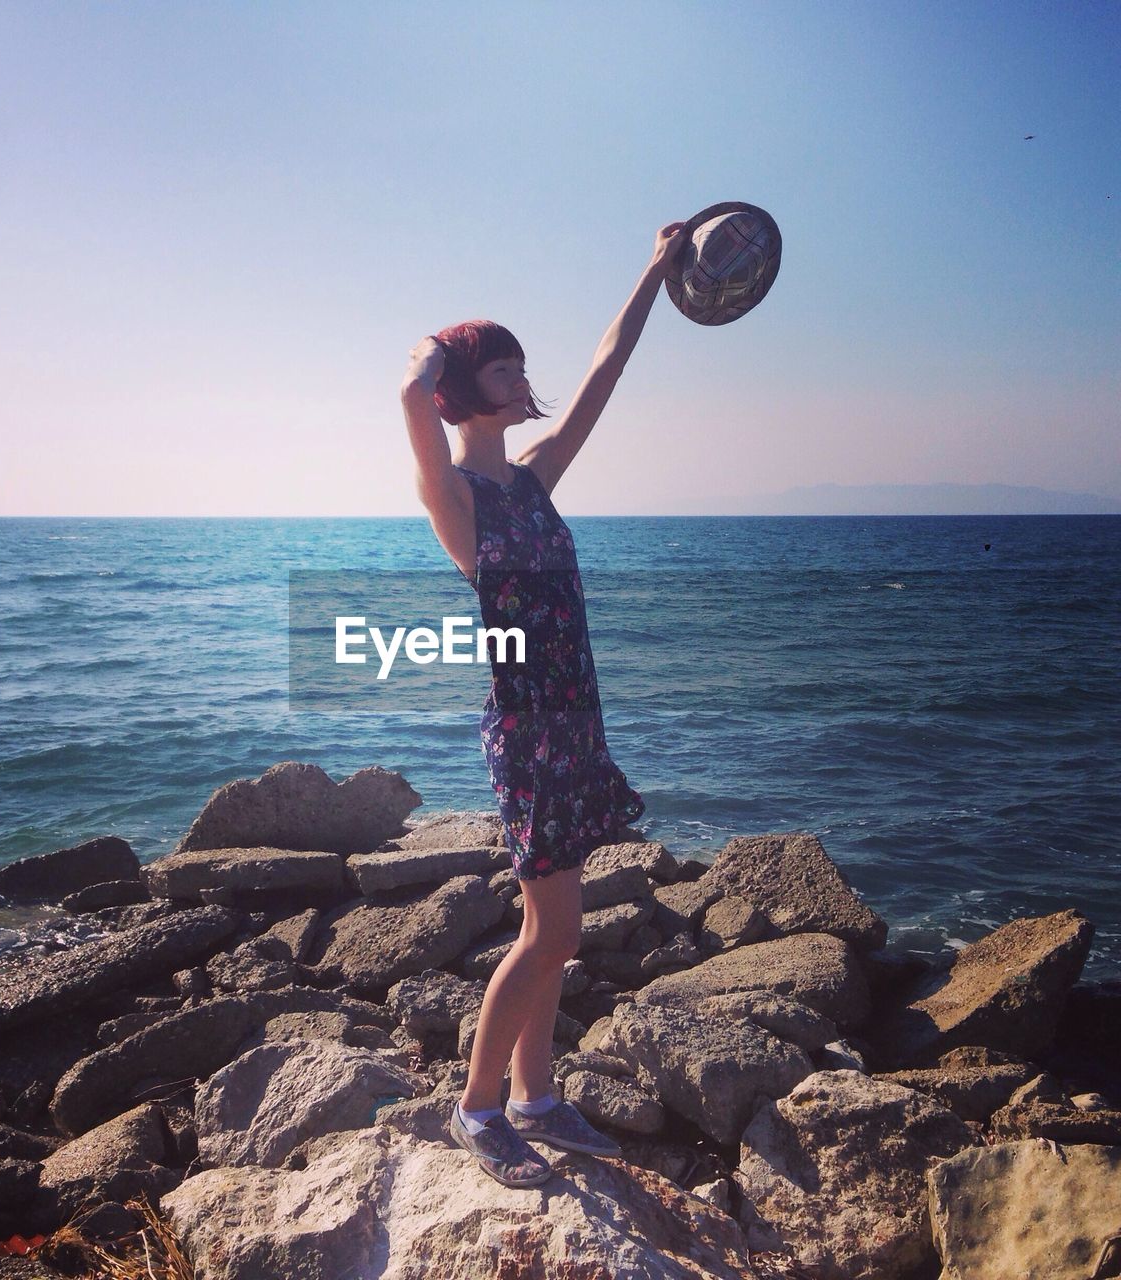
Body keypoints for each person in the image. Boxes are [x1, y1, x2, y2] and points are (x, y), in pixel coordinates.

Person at [400, 221, 688, 1188]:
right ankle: (477, 1108)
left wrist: (655, 271)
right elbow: (409, 396)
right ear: (461, 392)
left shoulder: (535, 478)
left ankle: (537, 1098)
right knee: (552, 931)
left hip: (574, 723)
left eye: (524, 367)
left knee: (551, 929)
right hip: (526, 730)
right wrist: (438, 353)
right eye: (502, 370)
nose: (523, 382)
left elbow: (606, 370)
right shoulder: (459, 499)